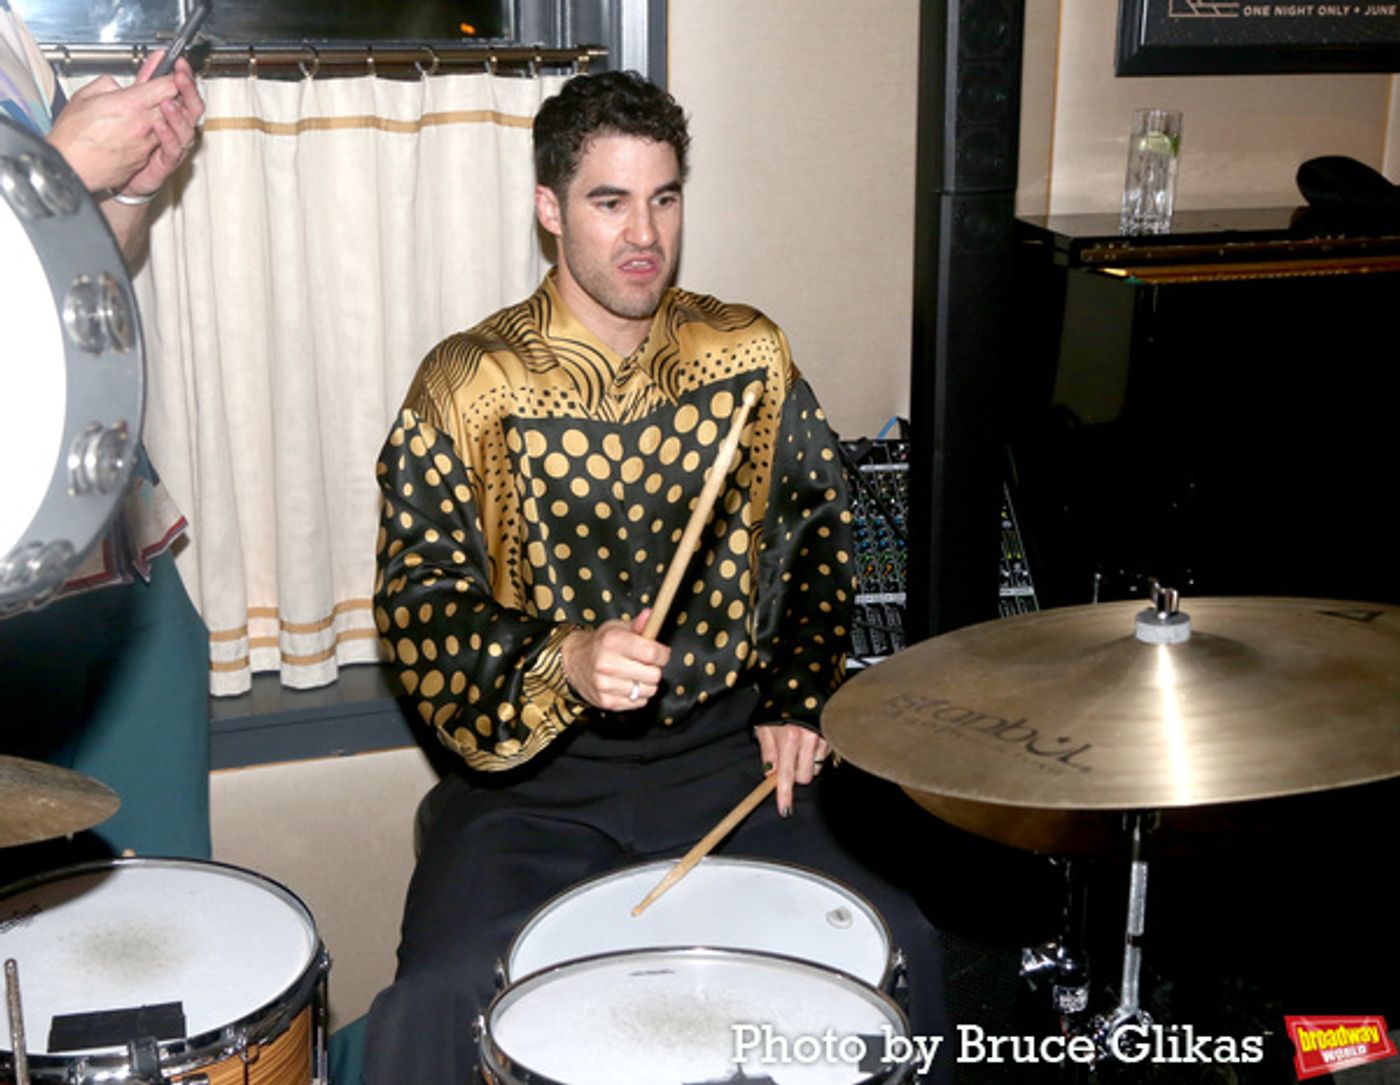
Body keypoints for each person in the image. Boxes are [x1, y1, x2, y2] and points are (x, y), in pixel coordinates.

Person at [367, 70, 950, 1082]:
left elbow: (814, 530)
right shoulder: (464, 384)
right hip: (534, 785)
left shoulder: (746, 355)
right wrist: (565, 658)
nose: (643, 232)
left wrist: (798, 695)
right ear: (548, 208)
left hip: (729, 759)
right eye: (609, 201)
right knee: (437, 993)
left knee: (906, 937)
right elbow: (418, 602)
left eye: (664, 197)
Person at [0, 0, 209, 865]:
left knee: (164, 900)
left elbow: (82, 265)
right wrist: (59, 163)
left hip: (111, 550)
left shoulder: (11, 36)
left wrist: (127, 183)